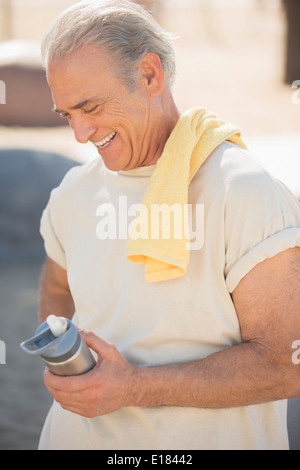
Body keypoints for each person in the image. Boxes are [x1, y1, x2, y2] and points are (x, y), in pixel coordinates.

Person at [38, 0, 300, 450]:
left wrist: (133, 387)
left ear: (150, 76)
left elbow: (287, 363)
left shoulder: (243, 190)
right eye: (67, 115)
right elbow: (56, 294)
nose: (80, 134)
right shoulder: (73, 192)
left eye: (91, 106)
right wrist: (70, 364)